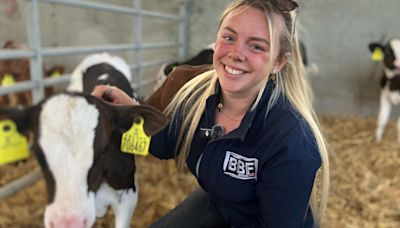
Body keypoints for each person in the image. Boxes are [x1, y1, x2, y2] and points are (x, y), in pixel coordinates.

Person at [92, 0, 329, 227]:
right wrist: (127, 112)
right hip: (221, 201)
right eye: (229, 37)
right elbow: (164, 143)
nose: (236, 53)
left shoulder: (291, 142)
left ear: (278, 62)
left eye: (256, 46)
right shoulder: (196, 94)